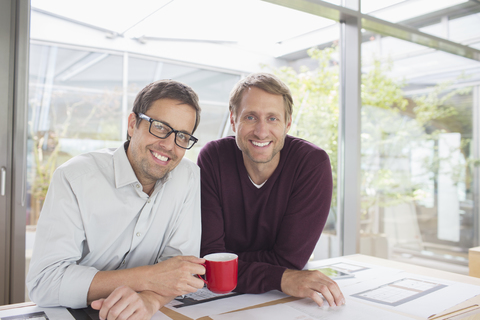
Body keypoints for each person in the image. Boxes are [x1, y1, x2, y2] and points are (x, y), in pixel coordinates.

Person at [27, 79, 206, 320]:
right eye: (160, 127)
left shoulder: (188, 176)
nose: (169, 145)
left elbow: (180, 271)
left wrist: (150, 300)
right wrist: (148, 278)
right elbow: (44, 283)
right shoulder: (74, 177)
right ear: (133, 124)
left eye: (182, 136)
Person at [198, 73, 345, 307]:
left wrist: (231, 262)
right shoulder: (213, 159)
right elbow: (210, 261)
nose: (261, 131)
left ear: (287, 124)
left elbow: (290, 260)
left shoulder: (311, 164)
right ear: (234, 121)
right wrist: (280, 274)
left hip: (285, 298)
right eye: (250, 117)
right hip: (221, 299)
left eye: (273, 118)